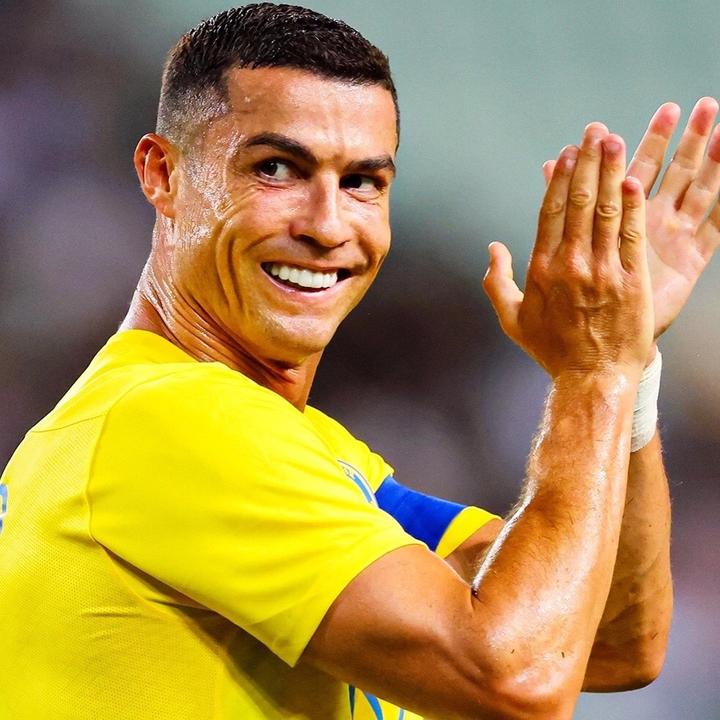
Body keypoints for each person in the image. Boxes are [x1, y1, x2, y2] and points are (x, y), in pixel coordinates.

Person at [0, 4, 718, 719]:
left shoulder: (296, 450)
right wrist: (594, 372)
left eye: (362, 182)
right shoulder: (170, 422)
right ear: (163, 173)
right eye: (276, 168)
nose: (327, 225)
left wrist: (628, 363)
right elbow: (516, 678)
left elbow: (612, 639)